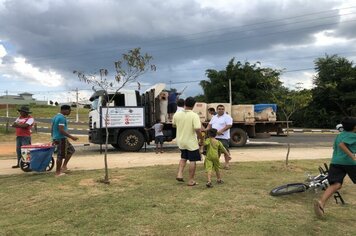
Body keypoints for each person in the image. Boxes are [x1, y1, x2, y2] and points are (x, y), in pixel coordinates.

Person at [313, 117, 356, 218]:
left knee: (336, 184)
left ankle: (321, 203)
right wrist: (352, 155)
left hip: (335, 162)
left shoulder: (339, 135)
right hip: (349, 163)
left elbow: (336, 146)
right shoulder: (353, 135)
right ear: (354, 127)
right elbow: (342, 145)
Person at [173, 97, 203, 186]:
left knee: (183, 157)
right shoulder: (194, 115)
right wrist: (201, 138)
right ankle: (191, 180)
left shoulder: (177, 114)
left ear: (185, 103)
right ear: (194, 105)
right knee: (193, 160)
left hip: (181, 140)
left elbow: (174, 125)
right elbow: (198, 129)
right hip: (191, 142)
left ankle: (179, 174)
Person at [51, 105, 78, 177]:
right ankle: (58, 173)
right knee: (60, 155)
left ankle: (64, 166)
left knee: (71, 150)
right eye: (69, 110)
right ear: (65, 110)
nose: (69, 112)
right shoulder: (61, 118)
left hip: (57, 137)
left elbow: (52, 128)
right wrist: (72, 137)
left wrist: (53, 137)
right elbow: (61, 130)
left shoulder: (55, 117)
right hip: (61, 138)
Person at [206, 104, 233, 169]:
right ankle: (215, 163)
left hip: (223, 137)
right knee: (215, 151)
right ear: (217, 110)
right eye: (219, 109)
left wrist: (221, 131)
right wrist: (205, 130)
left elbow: (229, 125)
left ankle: (227, 164)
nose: (221, 110)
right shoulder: (214, 117)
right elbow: (209, 125)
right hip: (214, 137)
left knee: (225, 150)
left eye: (222, 109)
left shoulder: (227, 117)